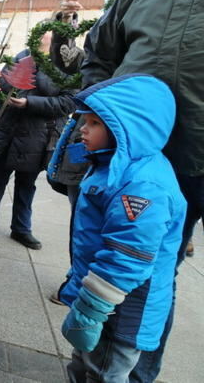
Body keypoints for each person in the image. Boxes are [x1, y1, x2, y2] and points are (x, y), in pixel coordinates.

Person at [72, 0, 204, 378]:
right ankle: (101, 368)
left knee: (151, 277)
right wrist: (101, 122)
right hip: (132, 167)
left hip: (196, 167)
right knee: (123, 271)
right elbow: (97, 58)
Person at [60, 75, 185, 382]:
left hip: (122, 308)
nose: (83, 129)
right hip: (108, 302)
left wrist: (90, 310)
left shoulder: (142, 185)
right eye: (83, 121)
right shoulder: (115, 164)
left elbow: (126, 256)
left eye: (95, 123)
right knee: (85, 364)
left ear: (126, 128)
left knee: (103, 372)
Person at [0, 30, 75, 249]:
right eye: (38, 35)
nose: (40, 39)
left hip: (38, 139)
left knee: (26, 186)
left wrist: (31, 103)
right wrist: (0, 86)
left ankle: (21, 229)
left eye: (46, 36)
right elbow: (7, 88)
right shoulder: (20, 58)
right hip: (6, 134)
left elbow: (68, 103)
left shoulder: (65, 69)